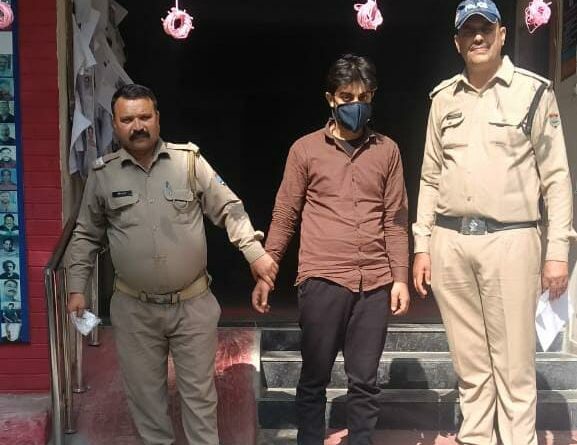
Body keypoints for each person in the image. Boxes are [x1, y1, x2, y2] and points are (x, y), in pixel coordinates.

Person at [66, 84, 278, 445]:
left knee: (200, 399)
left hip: (192, 306)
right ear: (115, 125)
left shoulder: (189, 162)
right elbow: (85, 235)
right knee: (147, 403)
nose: (138, 126)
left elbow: (229, 208)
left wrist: (254, 252)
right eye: (127, 120)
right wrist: (76, 287)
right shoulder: (103, 175)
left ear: (158, 119)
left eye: (145, 117)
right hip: (134, 310)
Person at [412, 2, 575, 445]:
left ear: (503, 35)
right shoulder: (443, 99)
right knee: (469, 364)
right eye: (469, 31)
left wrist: (557, 253)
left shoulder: (534, 92)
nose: (478, 37)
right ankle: (477, 438)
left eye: (486, 28)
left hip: (512, 241)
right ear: (457, 42)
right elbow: (429, 177)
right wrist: (422, 245)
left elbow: (557, 179)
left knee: (514, 366)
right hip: (450, 242)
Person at [252, 54, 410, 445]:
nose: (355, 104)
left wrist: (400, 279)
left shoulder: (387, 151)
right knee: (314, 378)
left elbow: (395, 219)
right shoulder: (305, 150)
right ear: (330, 99)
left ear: (372, 96)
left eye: (363, 97)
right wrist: (266, 270)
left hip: (374, 282)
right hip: (322, 278)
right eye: (346, 97)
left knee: (365, 381)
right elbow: (286, 213)